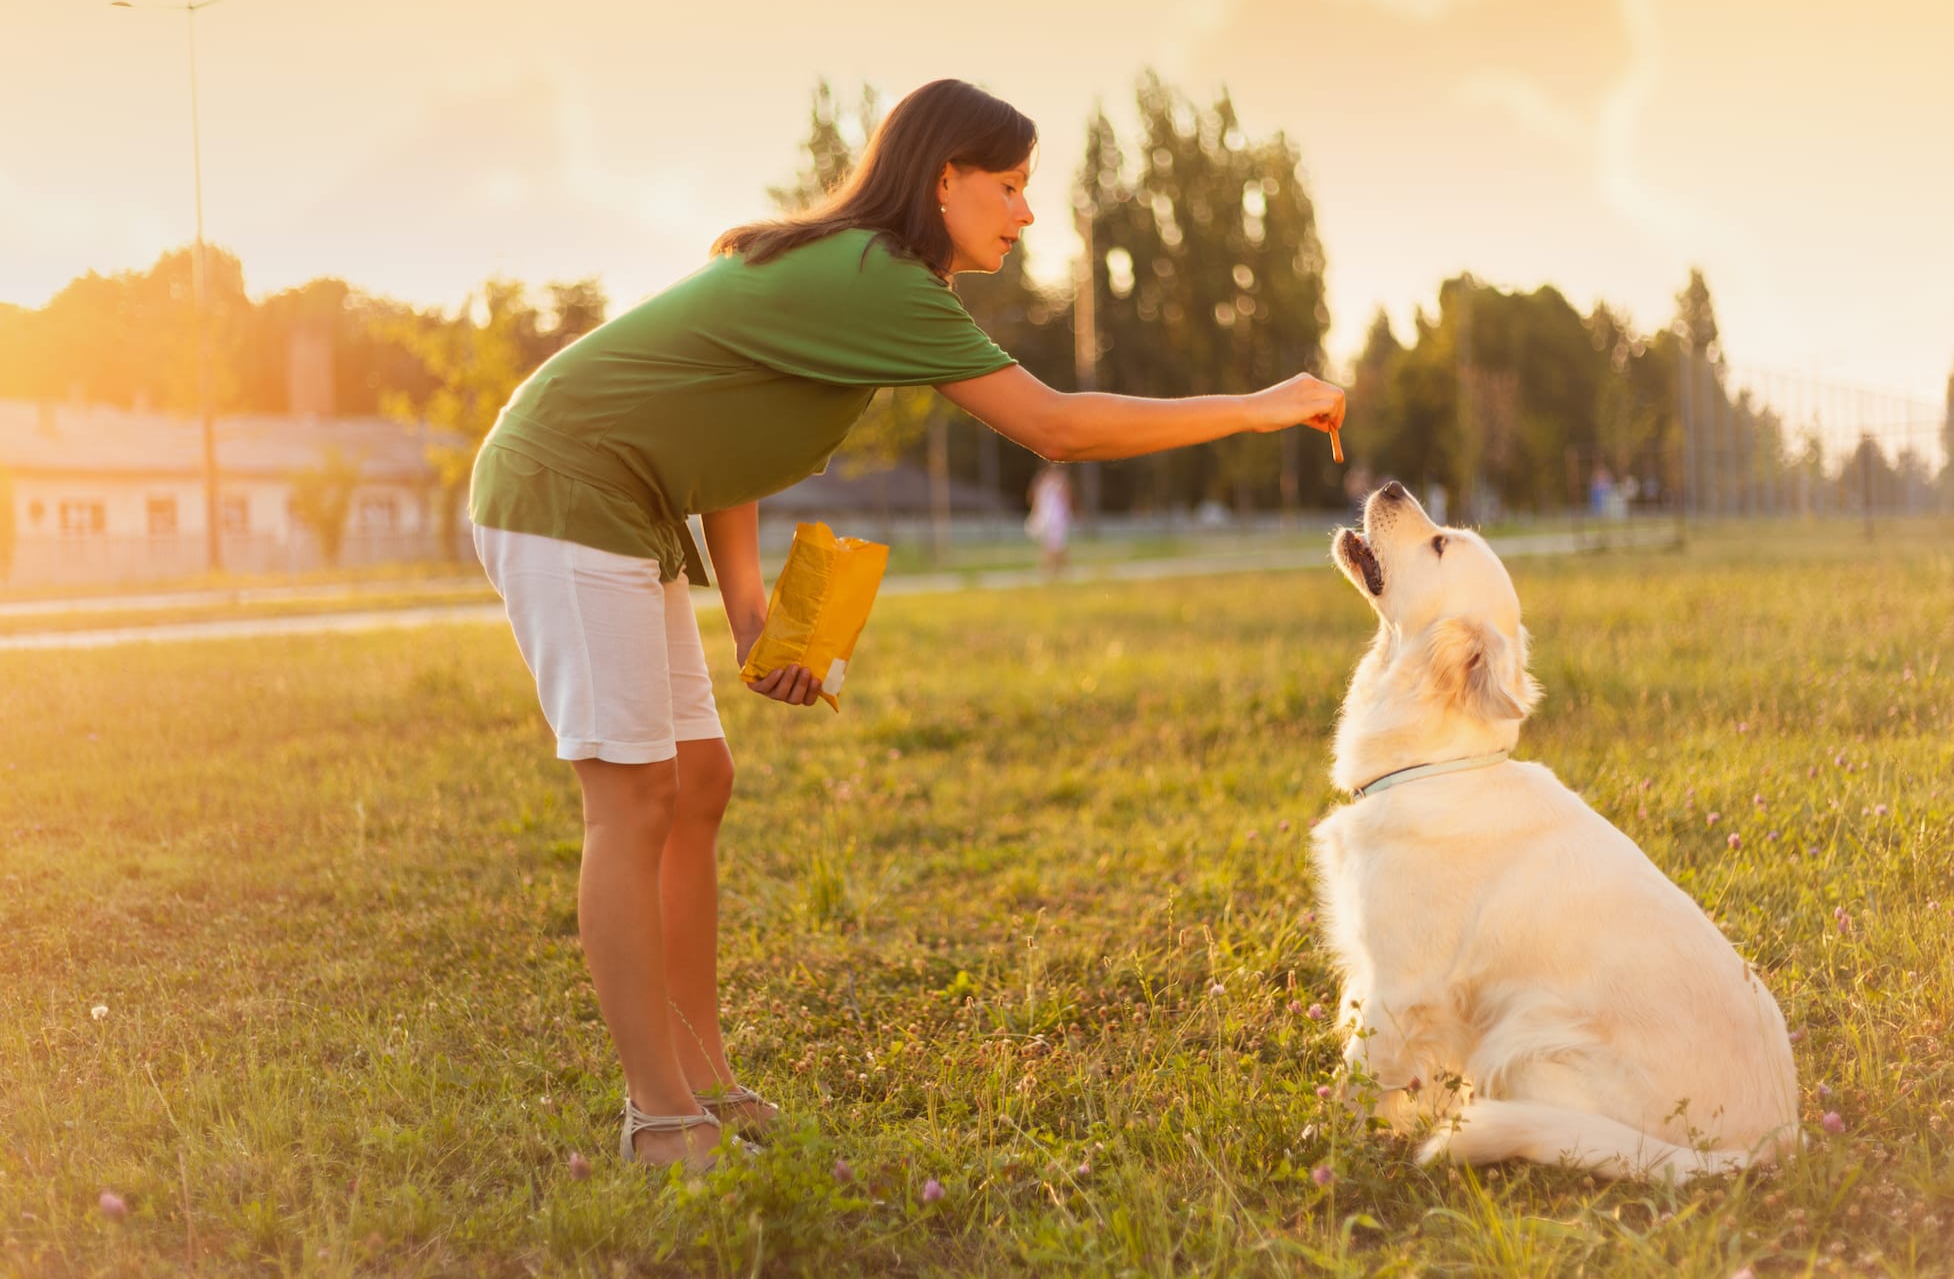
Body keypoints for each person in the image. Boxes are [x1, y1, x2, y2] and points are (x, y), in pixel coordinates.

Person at [465, 78, 1346, 1175]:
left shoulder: (857, 278)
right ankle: (659, 1118)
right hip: (562, 484)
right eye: (1011, 187)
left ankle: (703, 1077)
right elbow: (1056, 430)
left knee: (698, 780)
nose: (1026, 215)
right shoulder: (877, 280)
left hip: (629, 497)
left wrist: (750, 610)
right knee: (632, 791)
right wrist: (1262, 405)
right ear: (944, 179)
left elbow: (716, 427)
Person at [1024, 462, 1072, 576]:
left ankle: (1055, 568)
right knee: (1052, 544)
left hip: (1056, 517)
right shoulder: (1045, 481)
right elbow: (1033, 497)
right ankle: (1053, 568)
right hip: (1050, 516)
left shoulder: (1054, 481)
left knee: (1055, 544)